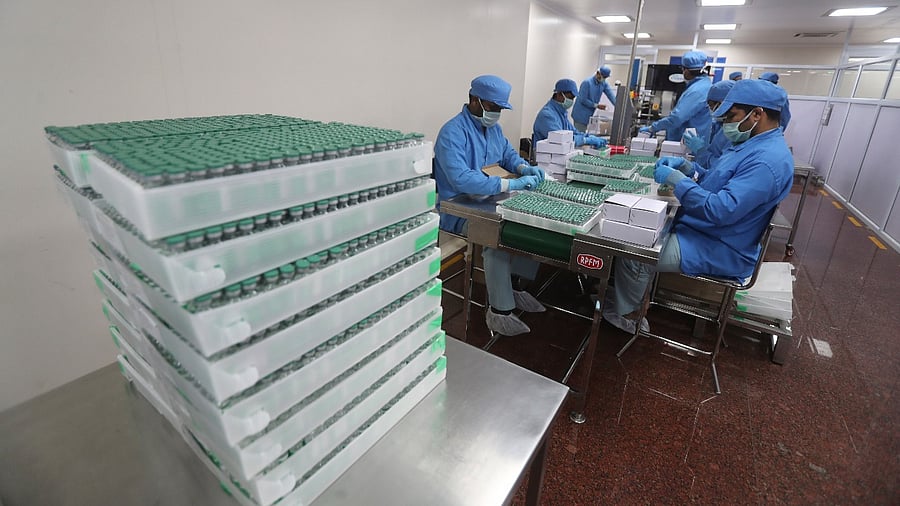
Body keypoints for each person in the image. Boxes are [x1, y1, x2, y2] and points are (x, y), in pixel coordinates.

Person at [604, 79, 793, 334]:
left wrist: (677, 182)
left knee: (636, 251)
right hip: (707, 230)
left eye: (731, 116)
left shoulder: (767, 161)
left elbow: (720, 209)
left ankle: (630, 315)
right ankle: (634, 295)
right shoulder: (751, 145)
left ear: (757, 114)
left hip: (719, 245)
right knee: (644, 234)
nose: (726, 123)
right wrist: (691, 170)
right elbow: (718, 181)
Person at [433, 75, 548, 336]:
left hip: (490, 202)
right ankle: (500, 311)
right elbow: (461, 179)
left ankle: (514, 287)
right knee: (496, 236)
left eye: (500, 108)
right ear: (474, 99)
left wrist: (523, 166)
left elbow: (507, 155)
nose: (496, 113)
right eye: (492, 106)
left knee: (526, 226)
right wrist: (510, 185)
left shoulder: (493, 129)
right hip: (458, 210)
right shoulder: (452, 133)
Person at [639, 50, 712, 143]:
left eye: (683, 69)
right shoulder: (702, 85)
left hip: (689, 142)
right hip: (690, 140)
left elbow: (677, 118)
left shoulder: (697, 90)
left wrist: (652, 128)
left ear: (686, 71)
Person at [532, 78, 608, 149]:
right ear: (559, 94)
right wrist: (586, 140)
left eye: (573, 98)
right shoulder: (547, 115)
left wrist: (589, 136)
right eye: (570, 97)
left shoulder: (561, 113)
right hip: (545, 158)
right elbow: (561, 140)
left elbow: (573, 132)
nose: (571, 101)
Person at [682, 79, 735, 168]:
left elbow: (719, 167)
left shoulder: (733, 132)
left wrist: (701, 151)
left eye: (711, 105)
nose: (710, 109)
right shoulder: (719, 125)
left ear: (723, 104)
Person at [572, 65, 617, 132]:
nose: (604, 79)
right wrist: (596, 105)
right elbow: (583, 100)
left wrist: (618, 106)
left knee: (585, 133)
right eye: (603, 77)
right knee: (580, 135)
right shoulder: (587, 83)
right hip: (580, 115)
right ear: (598, 73)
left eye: (605, 77)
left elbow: (611, 95)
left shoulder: (603, 84)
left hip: (589, 115)